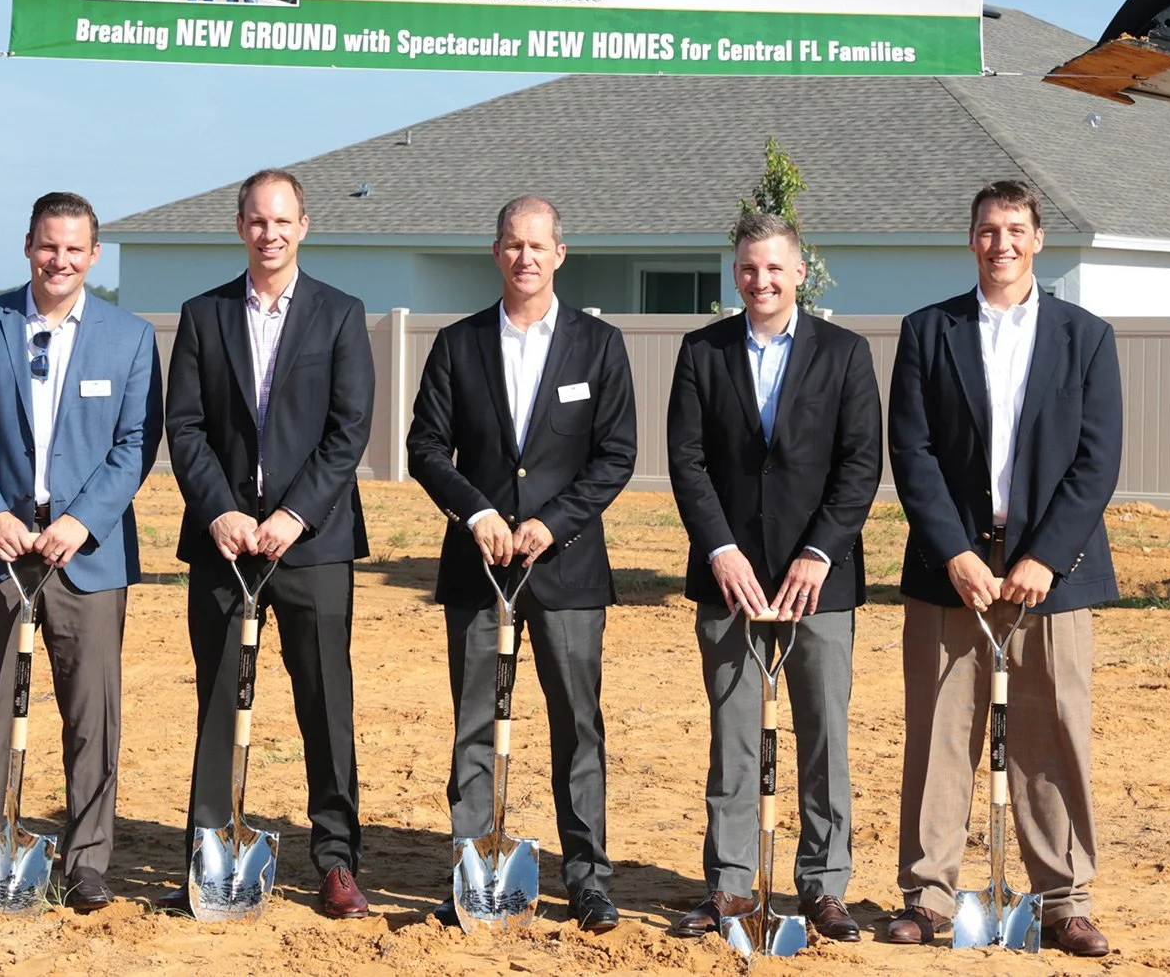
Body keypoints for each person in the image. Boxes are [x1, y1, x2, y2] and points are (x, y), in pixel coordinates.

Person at [883, 179, 1122, 957]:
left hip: (1052, 578)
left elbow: (1097, 460)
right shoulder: (929, 331)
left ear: (1039, 238)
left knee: (1051, 735)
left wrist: (1046, 557)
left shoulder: (1086, 337)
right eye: (988, 229)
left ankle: (1064, 896)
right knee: (939, 735)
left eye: (1016, 228)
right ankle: (927, 894)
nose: (1002, 243)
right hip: (951, 571)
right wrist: (954, 550)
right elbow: (911, 451)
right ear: (971, 238)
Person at [0, 192, 163, 919]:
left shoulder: (129, 337)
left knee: (93, 714)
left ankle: (87, 862)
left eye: (74, 249)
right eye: (47, 246)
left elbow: (135, 444)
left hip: (85, 557)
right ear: (28, 245)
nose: (59, 260)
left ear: (94, 255)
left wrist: (83, 521)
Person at [407, 196, 638, 934]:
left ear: (560, 254)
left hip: (567, 570)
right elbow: (425, 446)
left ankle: (588, 876)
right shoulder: (457, 343)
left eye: (538, 245)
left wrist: (552, 521)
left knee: (578, 724)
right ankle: (474, 871)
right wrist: (477, 514)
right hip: (480, 569)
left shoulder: (599, 346)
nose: (525, 257)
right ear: (496, 251)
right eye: (513, 244)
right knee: (475, 722)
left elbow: (615, 455)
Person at [161, 168, 376, 920]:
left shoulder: (341, 315)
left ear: (305, 226)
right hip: (223, 544)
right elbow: (182, 426)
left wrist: (294, 515)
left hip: (311, 545)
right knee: (218, 698)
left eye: (283, 221)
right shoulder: (203, 315)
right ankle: (208, 852)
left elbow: (349, 430)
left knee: (326, 703)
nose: (270, 232)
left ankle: (336, 859)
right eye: (257, 220)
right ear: (240, 226)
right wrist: (219, 508)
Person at [664, 212, 882, 944]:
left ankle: (823, 887)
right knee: (733, 736)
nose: (761, 279)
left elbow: (860, 465)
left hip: (818, 582)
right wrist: (720, 548)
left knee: (824, 735)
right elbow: (687, 461)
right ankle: (729, 885)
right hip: (729, 581)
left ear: (800, 272)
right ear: (737, 273)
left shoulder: (845, 354)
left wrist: (819, 551)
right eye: (748, 267)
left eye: (774, 267)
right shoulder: (702, 352)